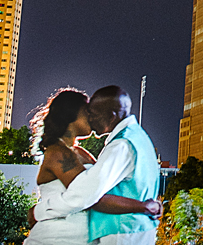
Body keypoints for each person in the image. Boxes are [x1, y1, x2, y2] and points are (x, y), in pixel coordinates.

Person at [26, 88, 161, 245]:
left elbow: (98, 189)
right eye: (87, 111)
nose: (92, 117)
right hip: (55, 238)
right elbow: (89, 197)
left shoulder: (80, 152)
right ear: (71, 115)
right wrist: (143, 206)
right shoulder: (58, 152)